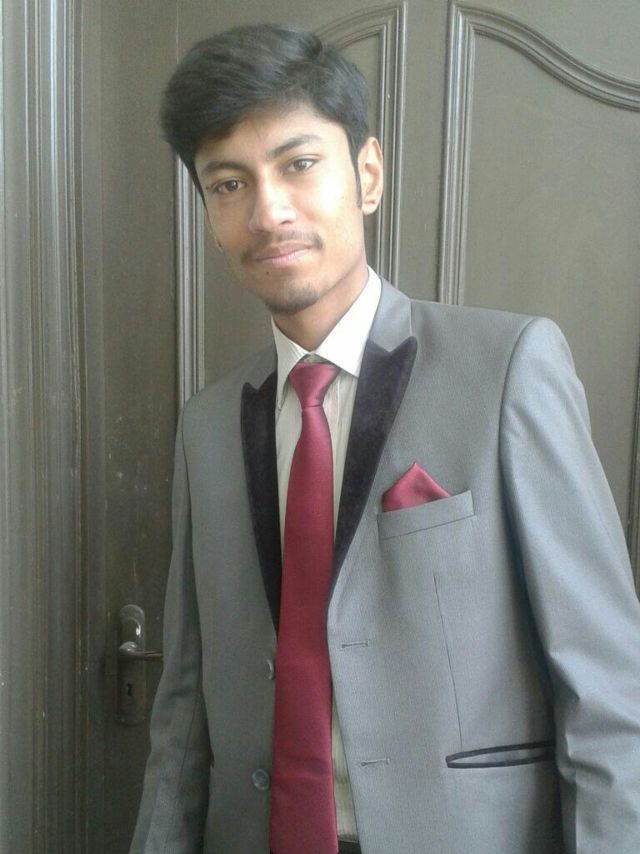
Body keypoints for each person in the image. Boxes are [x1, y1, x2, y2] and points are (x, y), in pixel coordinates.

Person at [130, 23, 640, 854]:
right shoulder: (208, 424)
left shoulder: (506, 368)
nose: (269, 211)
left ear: (367, 175)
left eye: (299, 164)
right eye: (228, 183)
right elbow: (184, 707)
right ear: (212, 216)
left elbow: (609, 687)